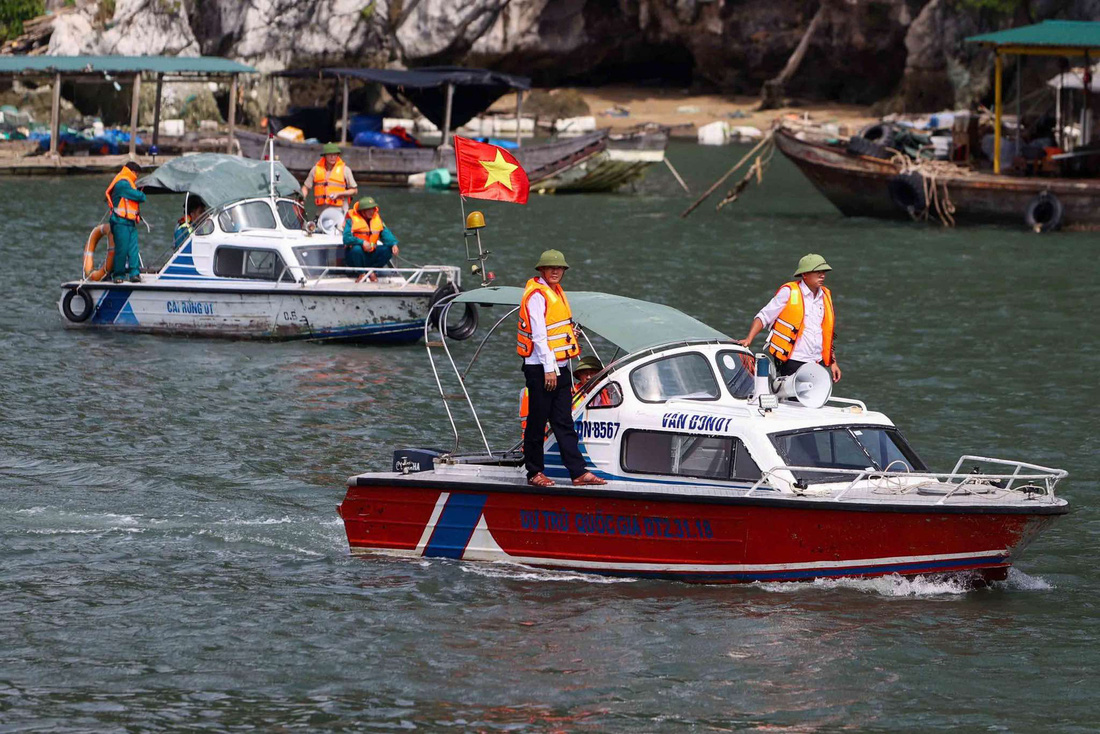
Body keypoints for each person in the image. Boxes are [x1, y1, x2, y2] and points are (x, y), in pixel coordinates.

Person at [518, 249, 606, 488]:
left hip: (560, 365)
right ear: (541, 270)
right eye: (551, 268)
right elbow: (538, 336)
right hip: (541, 368)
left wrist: (570, 336)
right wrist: (548, 369)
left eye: (560, 269)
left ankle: (578, 472)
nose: (556, 271)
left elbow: (555, 329)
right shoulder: (537, 295)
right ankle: (534, 472)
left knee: (563, 421)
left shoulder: (555, 292)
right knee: (537, 421)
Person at [736, 253, 842, 383]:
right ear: (805, 274)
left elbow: (826, 334)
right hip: (793, 361)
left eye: (824, 272)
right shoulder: (789, 292)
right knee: (792, 401)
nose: (822, 275)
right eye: (818, 272)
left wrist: (833, 363)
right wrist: (749, 339)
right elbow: (764, 316)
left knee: (814, 401)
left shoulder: (825, 295)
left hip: (817, 362)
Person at [105, 161, 146, 283]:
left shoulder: (126, 183)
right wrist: (141, 193)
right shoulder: (122, 183)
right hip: (120, 222)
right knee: (122, 249)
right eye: (137, 174)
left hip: (129, 222)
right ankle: (118, 275)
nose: (137, 177)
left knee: (133, 249)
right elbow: (140, 197)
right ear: (132, 172)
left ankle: (134, 274)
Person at [343, 196, 399, 281]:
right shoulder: (351, 220)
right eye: (368, 209)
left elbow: (386, 234)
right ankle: (361, 273)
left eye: (373, 209)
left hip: (371, 253)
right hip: (355, 257)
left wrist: (394, 244)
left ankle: (372, 271)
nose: (372, 211)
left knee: (388, 249)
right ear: (362, 211)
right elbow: (346, 238)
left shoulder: (377, 220)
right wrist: (362, 242)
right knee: (356, 249)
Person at [301, 142, 358, 222]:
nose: (333, 157)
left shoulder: (345, 170)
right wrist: (302, 198)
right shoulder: (315, 170)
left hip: (340, 212)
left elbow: (354, 190)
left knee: (339, 230)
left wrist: (339, 194)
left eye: (335, 155)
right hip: (322, 212)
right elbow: (306, 187)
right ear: (325, 156)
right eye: (330, 154)